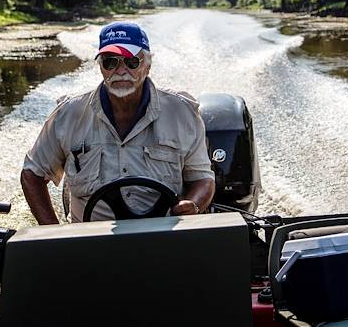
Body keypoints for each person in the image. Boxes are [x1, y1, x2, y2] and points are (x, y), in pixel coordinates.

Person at [20, 21, 216, 223]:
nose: (121, 71)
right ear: (101, 67)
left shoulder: (182, 112)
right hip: (88, 242)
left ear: (147, 65)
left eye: (131, 62)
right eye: (110, 62)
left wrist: (193, 205)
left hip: (162, 239)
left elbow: (202, 178)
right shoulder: (68, 114)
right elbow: (32, 174)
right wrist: (54, 235)